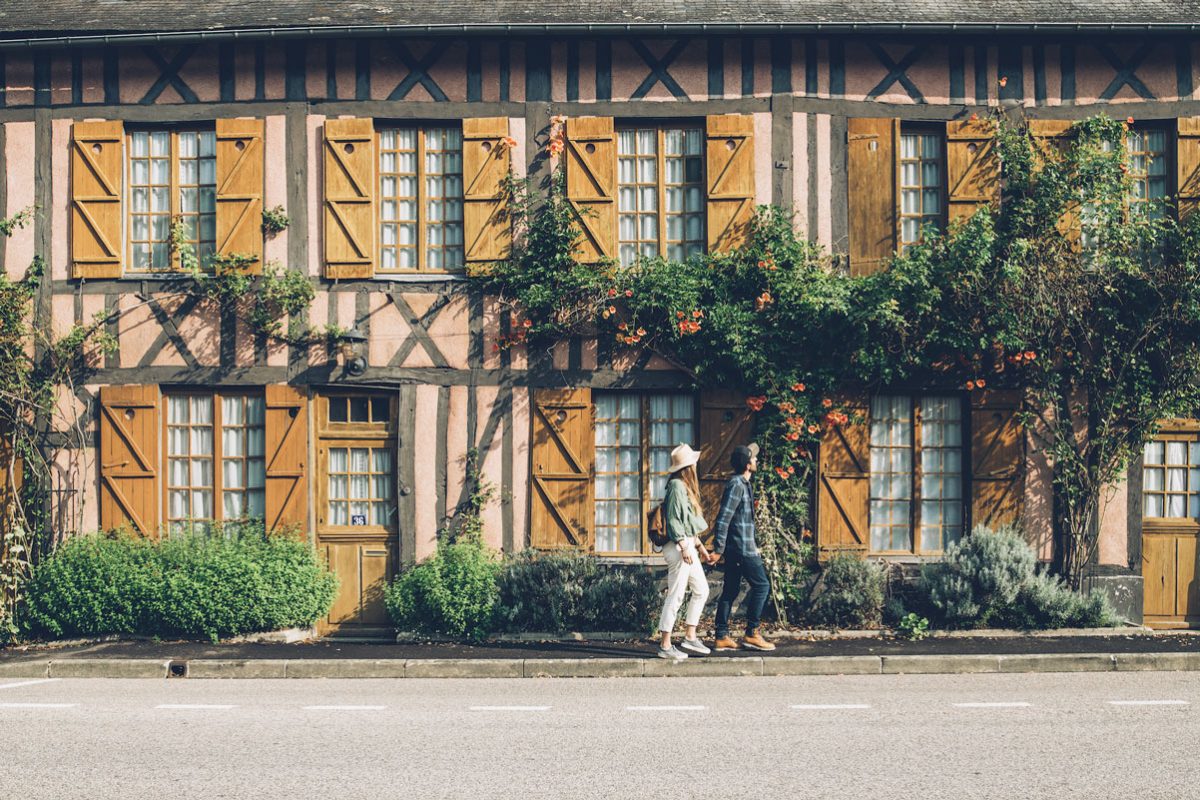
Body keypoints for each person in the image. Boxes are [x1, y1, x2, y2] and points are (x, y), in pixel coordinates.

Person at [707, 443, 776, 652]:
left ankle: (721, 636)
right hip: (741, 548)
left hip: (740, 547)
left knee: (730, 589)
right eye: (753, 458)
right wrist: (719, 549)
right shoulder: (737, 484)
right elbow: (723, 518)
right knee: (762, 586)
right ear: (747, 464)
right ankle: (752, 633)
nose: (756, 460)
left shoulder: (743, 483)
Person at [655, 443, 714, 660]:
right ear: (688, 466)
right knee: (677, 594)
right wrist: (683, 546)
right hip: (679, 548)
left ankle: (689, 635)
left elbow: (686, 523)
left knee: (701, 590)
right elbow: (673, 521)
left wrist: (700, 548)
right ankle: (665, 644)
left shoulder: (683, 487)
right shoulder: (677, 486)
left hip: (687, 546)